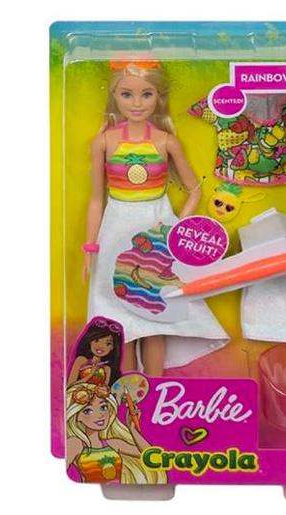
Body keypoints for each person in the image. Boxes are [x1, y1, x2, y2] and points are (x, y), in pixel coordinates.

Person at [82, 59, 228, 376]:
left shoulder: (165, 141)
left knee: (155, 313)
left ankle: (155, 385)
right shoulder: (104, 141)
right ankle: (128, 391)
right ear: (114, 95)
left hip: (156, 225)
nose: (137, 103)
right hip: (116, 225)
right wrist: (90, 248)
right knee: (120, 319)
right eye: (127, 94)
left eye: (146, 94)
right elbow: (96, 199)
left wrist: (175, 230)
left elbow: (194, 190)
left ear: (158, 96)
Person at [66, 382, 166, 484]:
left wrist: (132, 429)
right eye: (88, 411)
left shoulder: (113, 444)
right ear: (77, 416)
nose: (100, 415)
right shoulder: (76, 444)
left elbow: (152, 456)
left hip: (119, 490)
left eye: (103, 407)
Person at [67, 316, 123, 387]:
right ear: (90, 341)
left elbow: (104, 389)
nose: (100, 346)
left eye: (108, 343)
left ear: (112, 347)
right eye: (96, 340)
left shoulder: (107, 368)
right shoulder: (81, 360)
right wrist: (91, 374)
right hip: (77, 392)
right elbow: (69, 386)